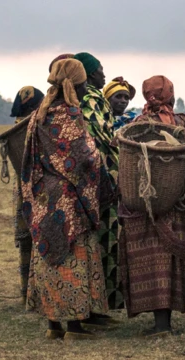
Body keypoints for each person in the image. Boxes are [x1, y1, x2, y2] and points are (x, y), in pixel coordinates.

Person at [21, 58, 114, 340]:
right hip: (69, 200)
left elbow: (29, 160)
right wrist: (102, 163)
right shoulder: (70, 114)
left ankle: (53, 327)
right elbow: (84, 156)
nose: (87, 86)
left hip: (43, 198)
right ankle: (74, 327)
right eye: (84, 81)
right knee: (72, 257)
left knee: (49, 257)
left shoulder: (40, 113)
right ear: (76, 82)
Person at [116, 75, 185, 337]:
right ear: (170, 95)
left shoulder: (137, 125)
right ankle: (165, 322)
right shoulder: (182, 124)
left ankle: (160, 323)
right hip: (179, 206)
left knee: (153, 260)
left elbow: (126, 165)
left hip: (145, 207)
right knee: (170, 262)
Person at [73, 52, 123, 313]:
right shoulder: (92, 99)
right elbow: (103, 135)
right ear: (91, 73)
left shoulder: (85, 98)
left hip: (90, 177)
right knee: (105, 238)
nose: (104, 74)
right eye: (101, 69)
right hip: (102, 175)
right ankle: (102, 304)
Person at [9, 86, 44, 305]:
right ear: (32, 106)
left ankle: (26, 294)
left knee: (27, 245)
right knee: (35, 244)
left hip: (22, 191)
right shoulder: (30, 128)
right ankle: (33, 295)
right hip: (34, 190)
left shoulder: (15, 129)